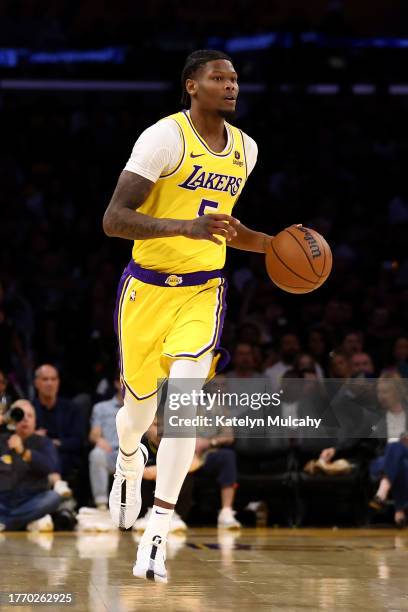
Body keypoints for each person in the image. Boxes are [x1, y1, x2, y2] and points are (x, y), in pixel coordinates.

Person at [103, 49, 275, 582]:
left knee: (185, 404)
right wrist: (183, 229)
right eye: (218, 78)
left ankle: (157, 532)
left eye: (234, 79)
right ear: (191, 86)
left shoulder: (245, 149)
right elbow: (114, 220)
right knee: (137, 410)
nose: (230, 86)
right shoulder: (164, 139)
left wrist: (276, 247)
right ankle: (129, 459)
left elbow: (226, 229)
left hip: (204, 291)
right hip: (147, 288)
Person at [0, 400, 62, 531]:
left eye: (30, 416)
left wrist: (24, 452)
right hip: (2, 501)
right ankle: (22, 522)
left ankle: (6, 523)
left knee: (53, 497)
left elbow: (49, 466)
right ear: (11, 418)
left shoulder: (44, 442)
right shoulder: (2, 440)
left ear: (35, 421)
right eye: (20, 415)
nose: (25, 420)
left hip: (31, 499)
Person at [33, 364, 84, 494]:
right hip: (36, 456)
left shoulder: (71, 408)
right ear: (36, 383)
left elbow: (78, 440)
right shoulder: (29, 409)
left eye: (53, 379)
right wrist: (33, 436)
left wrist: (55, 443)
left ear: (58, 382)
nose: (50, 383)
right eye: (45, 379)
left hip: (64, 455)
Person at [368, 375, 408, 527]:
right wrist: (334, 449)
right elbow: (363, 443)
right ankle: (400, 511)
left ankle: (381, 493)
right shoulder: (374, 417)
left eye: (386, 392)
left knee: (398, 449)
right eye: (379, 392)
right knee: (400, 459)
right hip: (381, 461)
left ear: (397, 392)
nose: (381, 396)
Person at [88, 374, 122, 510]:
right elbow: (93, 434)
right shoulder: (101, 408)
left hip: (135, 453)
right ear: (116, 383)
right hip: (111, 452)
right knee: (96, 454)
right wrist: (98, 439)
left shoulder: (142, 408)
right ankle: (101, 503)